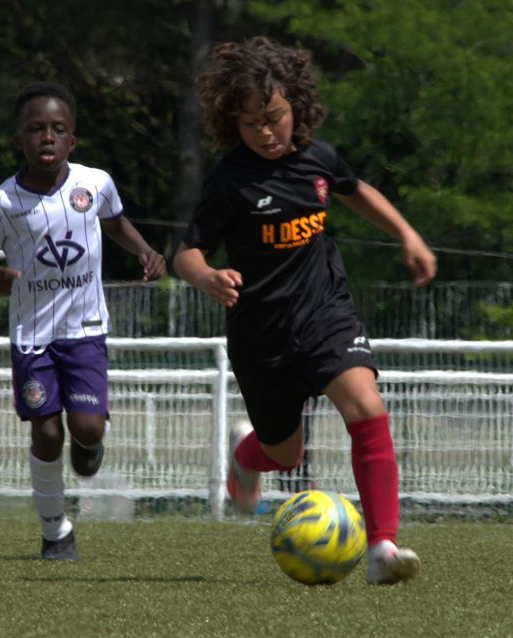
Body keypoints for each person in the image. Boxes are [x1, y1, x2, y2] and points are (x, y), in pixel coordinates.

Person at [172, 37, 437, 585]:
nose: (266, 133)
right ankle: (248, 456)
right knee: (285, 453)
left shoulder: (318, 158)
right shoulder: (231, 180)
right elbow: (187, 251)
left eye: (274, 117)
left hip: (324, 311)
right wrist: (206, 276)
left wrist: (407, 235)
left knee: (365, 406)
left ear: (296, 105)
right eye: (250, 124)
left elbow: (356, 189)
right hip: (260, 332)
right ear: (232, 125)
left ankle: (382, 546)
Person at [0, 81, 166, 561]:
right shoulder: (4, 202)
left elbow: (114, 221)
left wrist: (144, 252)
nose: (47, 138)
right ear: (19, 140)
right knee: (46, 432)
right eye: (36, 129)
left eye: (58, 129)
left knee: (88, 429)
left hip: (85, 331)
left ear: (73, 140)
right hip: (32, 337)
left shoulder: (94, 183)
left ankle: (90, 443)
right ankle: (55, 530)